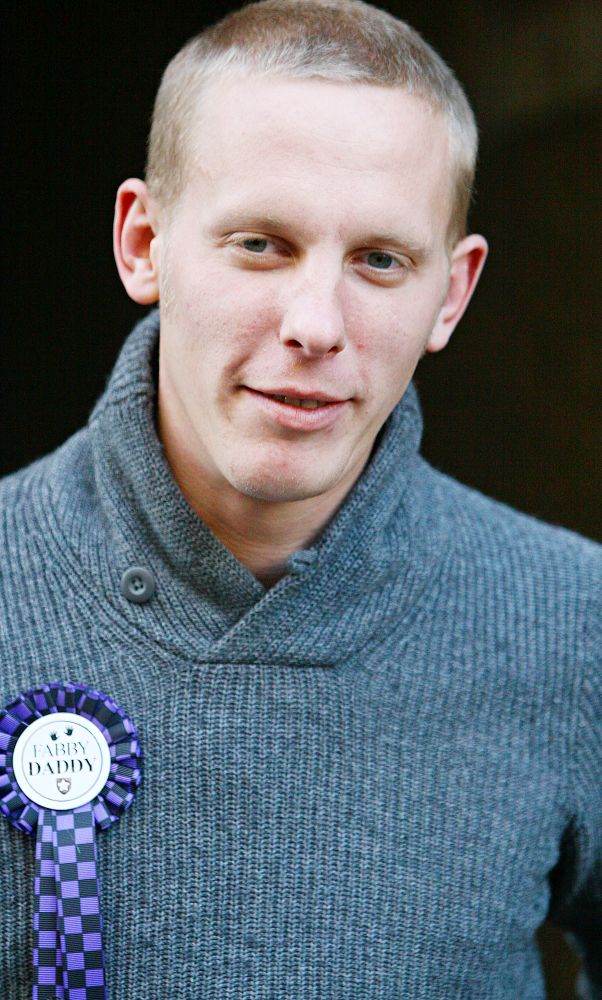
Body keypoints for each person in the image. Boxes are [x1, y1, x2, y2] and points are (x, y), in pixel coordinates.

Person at [0, 1, 599, 998]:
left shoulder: (571, 622)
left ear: (449, 293)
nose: (316, 323)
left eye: (378, 261)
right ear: (142, 241)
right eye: (260, 244)